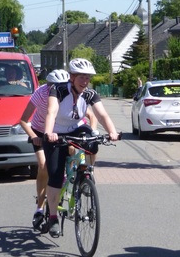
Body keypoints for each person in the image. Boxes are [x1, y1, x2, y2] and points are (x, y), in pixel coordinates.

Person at [43, 58, 120, 237]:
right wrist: (48, 133)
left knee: (93, 141)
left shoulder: (90, 94)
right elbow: (51, 112)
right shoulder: (59, 90)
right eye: (81, 78)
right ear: (72, 77)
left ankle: (86, 175)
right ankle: (53, 217)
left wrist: (112, 132)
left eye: (87, 78)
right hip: (56, 132)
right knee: (55, 175)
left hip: (76, 129)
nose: (85, 81)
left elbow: (102, 115)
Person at [20, 69, 70, 230]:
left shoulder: (70, 94)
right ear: (48, 86)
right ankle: (40, 208)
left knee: (72, 154)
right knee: (43, 166)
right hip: (40, 132)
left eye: (63, 86)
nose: (58, 90)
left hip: (60, 132)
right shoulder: (40, 93)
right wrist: (34, 136)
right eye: (54, 87)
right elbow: (22, 120)